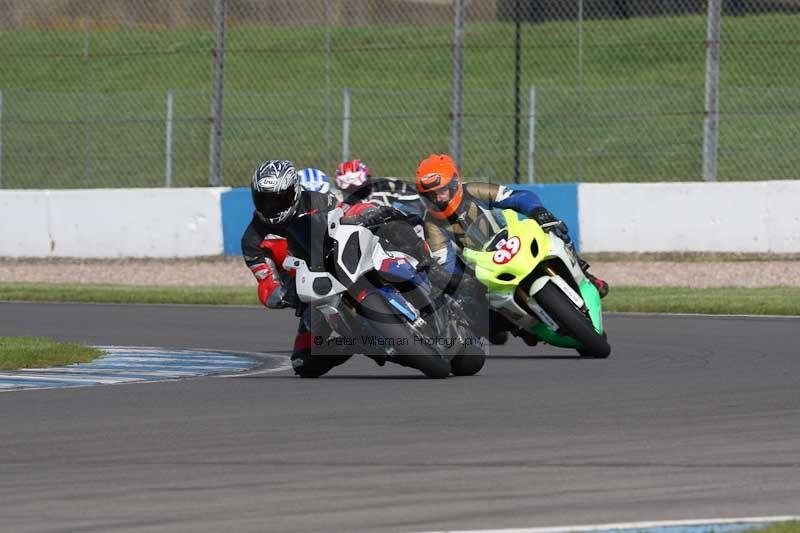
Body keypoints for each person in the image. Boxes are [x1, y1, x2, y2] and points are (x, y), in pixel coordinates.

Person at [414, 153, 609, 344]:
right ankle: (520, 327)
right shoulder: (431, 225)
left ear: (454, 184)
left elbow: (517, 197)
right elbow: (445, 262)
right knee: (473, 309)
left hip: (511, 238)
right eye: (430, 196)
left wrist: (537, 210)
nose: (437, 199)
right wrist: (462, 281)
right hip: (481, 268)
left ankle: (584, 272)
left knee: (554, 227)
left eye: (441, 191)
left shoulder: (473, 190)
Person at [241, 159, 351, 378]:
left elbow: (350, 215)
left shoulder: (318, 200)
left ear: (294, 192)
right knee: (303, 364)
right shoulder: (252, 239)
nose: (271, 206)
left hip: (346, 265)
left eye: (278, 198)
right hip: (312, 294)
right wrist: (282, 295)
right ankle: (354, 342)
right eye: (264, 199)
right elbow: (266, 282)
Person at [335, 158, 426, 237]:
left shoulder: (387, 189)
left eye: (359, 189)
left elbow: (417, 210)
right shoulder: (341, 203)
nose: (355, 193)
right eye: (349, 190)